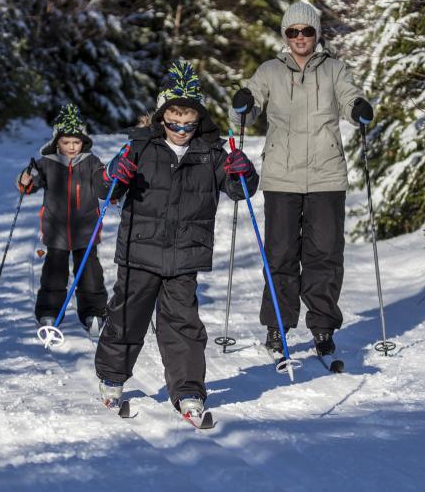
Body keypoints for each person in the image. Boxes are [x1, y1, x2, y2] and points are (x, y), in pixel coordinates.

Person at [93, 60, 258, 419]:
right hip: (140, 249)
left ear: (199, 120)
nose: (181, 129)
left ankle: (188, 391)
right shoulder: (139, 147)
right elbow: (107, 188)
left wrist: (244, 172)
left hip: (185, 254)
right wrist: (112, 175)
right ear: (161, 118)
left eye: (189, 123)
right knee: (126, 316)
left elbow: (237, 188)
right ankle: (111, 377)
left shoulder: (212, 153)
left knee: (183, 324)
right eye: (173, 122)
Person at [229, 0, 371, 358]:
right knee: (280, 255)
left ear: (316, 34)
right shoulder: (269, 71)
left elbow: (349, 98)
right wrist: (242, 102)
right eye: (293, 32)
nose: (300, 37)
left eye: (306, 31)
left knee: (324, 255)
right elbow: (244, 113)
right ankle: (277, 325)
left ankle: (322, 327)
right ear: (285, 35)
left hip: (326, 176)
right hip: (281, 177)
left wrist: (359, 108)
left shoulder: (335, 69)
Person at [16, 103, 109, 334]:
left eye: (76, 142)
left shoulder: (92, 162)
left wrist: (108, 181)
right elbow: (30, 183)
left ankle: (94, 312)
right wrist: (26, 179)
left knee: (90, 275)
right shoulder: (47, 163)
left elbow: (102, 187)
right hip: (55, 230)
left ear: (83, 142)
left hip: (86, 230)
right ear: (57, 142)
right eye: (66, 142)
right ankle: (49, 311)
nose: (71, 147)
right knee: (53, 274)